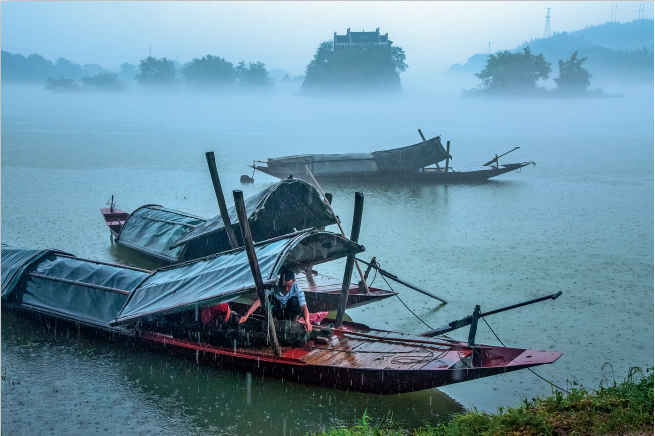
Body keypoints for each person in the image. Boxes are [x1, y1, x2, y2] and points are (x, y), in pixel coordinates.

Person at [238, 270, 312, 332]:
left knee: (294, 300)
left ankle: (293, 322)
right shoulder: (273, 287)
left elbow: (304, 307)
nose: (286, 289)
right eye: (284, 286)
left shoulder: (298, 289)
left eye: (289, 286)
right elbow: (259, 301)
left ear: (293, 282)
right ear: (280, 282)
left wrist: (307, 322)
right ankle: (274, 321)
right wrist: (246, 315)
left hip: (289, 312)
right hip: (278, 311)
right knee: (271, 299)